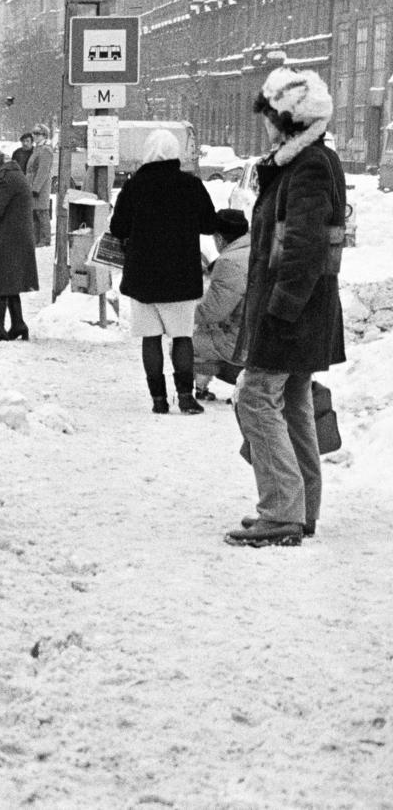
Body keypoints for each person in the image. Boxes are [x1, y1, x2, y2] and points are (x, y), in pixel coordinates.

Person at [228, 67, 347, 548]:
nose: (265, 126)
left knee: (256, 397)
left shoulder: (309, 166)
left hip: (291, 312)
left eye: (270, 117)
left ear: (290, 120)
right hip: (299, 311)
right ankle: (301, 507)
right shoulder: (301, 163)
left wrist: (280, 309)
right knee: (293, 402)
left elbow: (304, 246)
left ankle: (281, 511)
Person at [108, 129, 218, 414]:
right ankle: (185, 397)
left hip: (143, 276)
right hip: (181, 275)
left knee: (151, 338)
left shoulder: (134, 186)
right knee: (182, 337)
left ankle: (158, 399)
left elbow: (118, 227)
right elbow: (209, 223)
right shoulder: (190, 185)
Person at [191, 208, 251, 401]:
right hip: (259, 333)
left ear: (219, 238)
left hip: (242, 341)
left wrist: (183, 314)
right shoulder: (254, 249)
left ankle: (201, 387)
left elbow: (213, 312)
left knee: (186, 343)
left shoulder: (229, 261)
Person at [0, 147, 39, 340]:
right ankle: (18, 324)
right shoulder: (13, 174)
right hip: (15, 235)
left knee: (0, 281)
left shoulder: (5, 179)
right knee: (9, 282)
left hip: (8, 237)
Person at [28, 124, 56, 246]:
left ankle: (45, 239)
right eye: (34, 133)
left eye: (38, 134)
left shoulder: (45, 150)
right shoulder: (37, 148)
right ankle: (36, 238)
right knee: (35, 212)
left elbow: (43, 170)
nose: (34, 136)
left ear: (44, 135)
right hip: (33, 184)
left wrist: (36, 188)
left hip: (40, 186)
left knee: (42, 212)